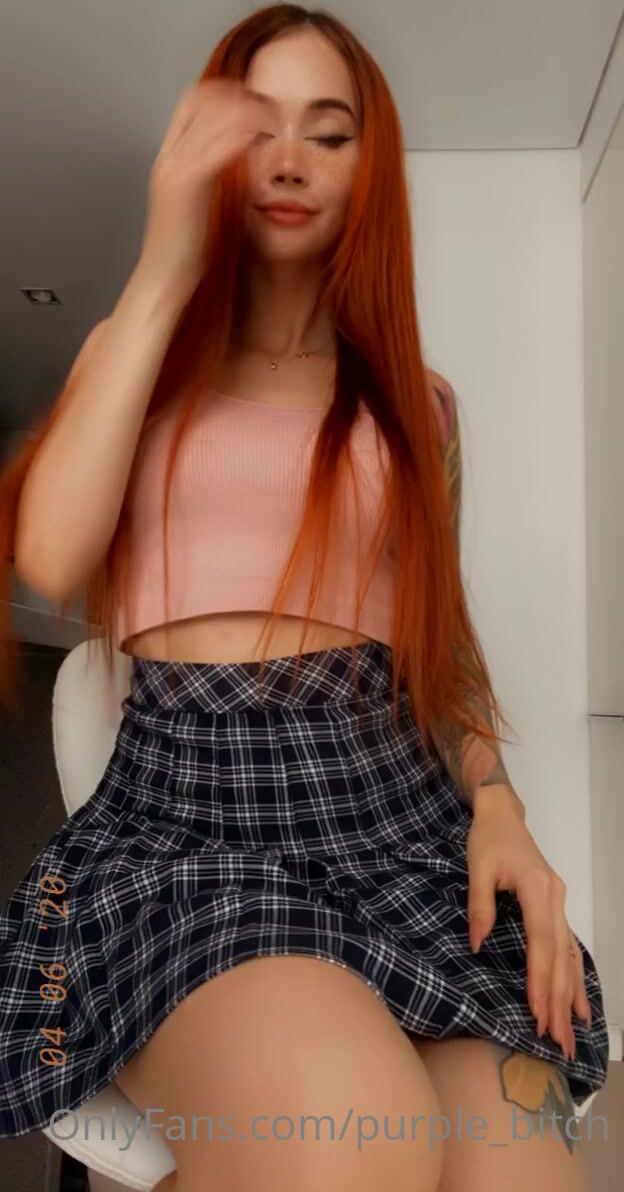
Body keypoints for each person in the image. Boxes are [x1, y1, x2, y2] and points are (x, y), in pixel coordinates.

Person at [0, 4, 609, 1190]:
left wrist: (502, 809)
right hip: (195, 813)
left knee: (526, 1173)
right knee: (356, 1142)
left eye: (327, 133)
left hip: (393, 810)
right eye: (256, 129)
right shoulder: (136, 355)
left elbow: (440, 648)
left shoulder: (421, 404)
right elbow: (51, 557)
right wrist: (165, 265)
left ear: (368, 170)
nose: (288, 160)